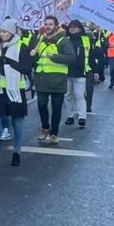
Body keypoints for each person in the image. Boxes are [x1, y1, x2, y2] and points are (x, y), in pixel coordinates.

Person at [0, 19, 32, 168]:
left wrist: (9, 62)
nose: (1, 34)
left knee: (17, 123)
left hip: (15, 90)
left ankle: (17, 152)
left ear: (11, 32)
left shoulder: (21, 46)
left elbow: (26, 68)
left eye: (4, 31)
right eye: (0, 31)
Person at [31, 16, 76, 144]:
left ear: (56, 26)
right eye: (46, 24)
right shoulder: (41, 39)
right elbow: (37, 58)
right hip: (42, 79)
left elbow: (72, 58)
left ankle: (54, 132)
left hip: (57, 80)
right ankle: (45, 127)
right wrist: (33, 55)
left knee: (56, 108)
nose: (48, 26)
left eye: (50, 24)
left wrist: (55, 57)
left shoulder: (64, 40)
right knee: (41, 105)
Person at [64, 20, 99, 129]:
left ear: (80, 28)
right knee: (68, 96)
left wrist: (95, 71)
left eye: (75, 27)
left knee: (80, 96)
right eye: (71, 27)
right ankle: (70, 115)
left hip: (81, 72)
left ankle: (81, 117)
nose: (72, 29)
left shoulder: (86, 40)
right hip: (66, 72)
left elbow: (92, 56)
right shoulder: (65, 40)